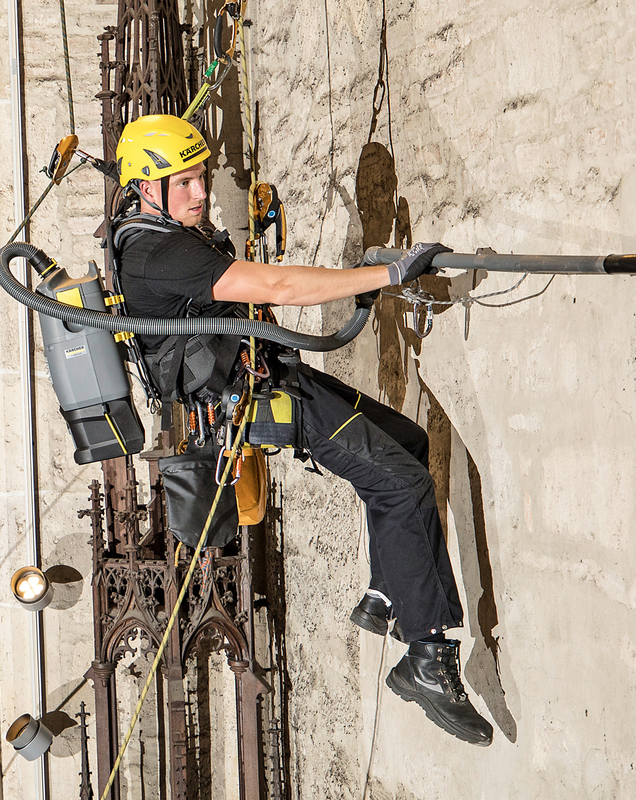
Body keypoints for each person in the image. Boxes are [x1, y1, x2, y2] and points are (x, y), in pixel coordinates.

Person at [110, 114, 491, 746]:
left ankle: (388, 594)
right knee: (402, 484)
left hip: (264, 369)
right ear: (149, 187)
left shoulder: (154, 229)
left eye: (203, 177)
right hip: (256, 393)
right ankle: (427, 659)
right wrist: (386, 277)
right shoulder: (160, 251)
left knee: (408, 445)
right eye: (186, 182)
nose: (201, 193)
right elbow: (281, 286)